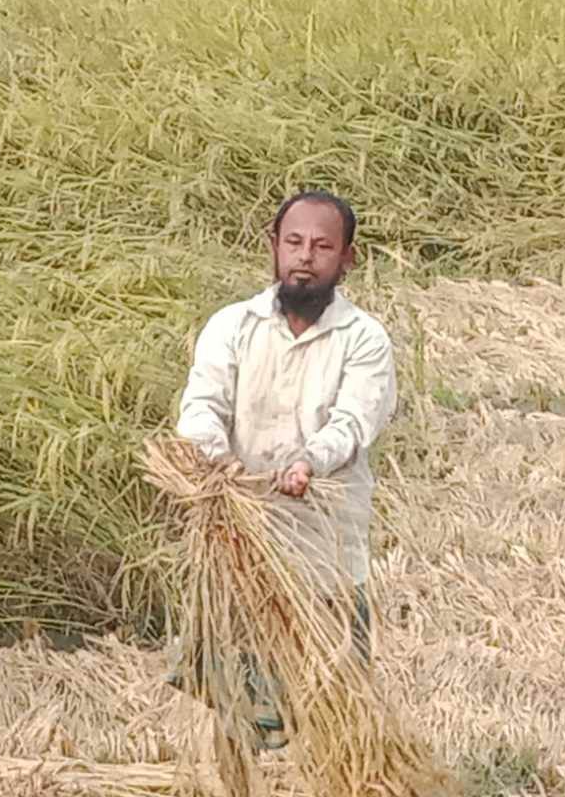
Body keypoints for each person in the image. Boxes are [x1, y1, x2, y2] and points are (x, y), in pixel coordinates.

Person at [171, 190, 397, 749]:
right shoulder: (232, 326)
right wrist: (217, 463)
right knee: (243, 702)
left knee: (331, 706)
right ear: (273, 248)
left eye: (323, 246)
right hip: (240, 544)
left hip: (324, 554)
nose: (305, 256)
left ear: (348, 258)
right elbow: (201, 407)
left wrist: (306, 463)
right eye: (293, 242)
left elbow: (352, 424)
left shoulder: (364, 339)